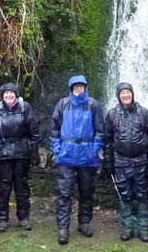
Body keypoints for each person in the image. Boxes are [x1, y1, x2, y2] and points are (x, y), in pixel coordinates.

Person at [50, 75, 105, 245]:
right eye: (76, 86)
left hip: (87, 158)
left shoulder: (93, 104)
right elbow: (54, 129)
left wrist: (94, 149)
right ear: (71, 88)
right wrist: (58, 150)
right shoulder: (63, 104)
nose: (79, 89)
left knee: (87, 192)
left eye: (81, 86)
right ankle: (63, 228)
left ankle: (85, 223)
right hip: (66, 157)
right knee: (64, 194)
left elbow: (100, 130)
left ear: (85, 87)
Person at [104, 82, 148, 243]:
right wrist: (108, 161)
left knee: (142, 195)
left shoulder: (143, 113)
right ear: (118, 96)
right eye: (123, 93)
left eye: (128, 92)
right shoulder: (112, 114)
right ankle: (127, 228)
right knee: (124, 196)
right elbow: (107, 140)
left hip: (141, 161)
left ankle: (143, 229)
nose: (126, 95)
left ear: (132, 94)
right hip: (121, 162)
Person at [0, 83, 41, 232]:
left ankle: (23, 218)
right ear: (2, 96)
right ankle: (2, 219)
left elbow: (34, 130)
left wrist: (35, 151)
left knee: (21, 186)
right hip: (3, 153)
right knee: (4, 187)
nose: (9, 95)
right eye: (6, 93)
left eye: (11, 93)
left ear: (16, 94)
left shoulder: (25, 108)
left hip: (22, 152)